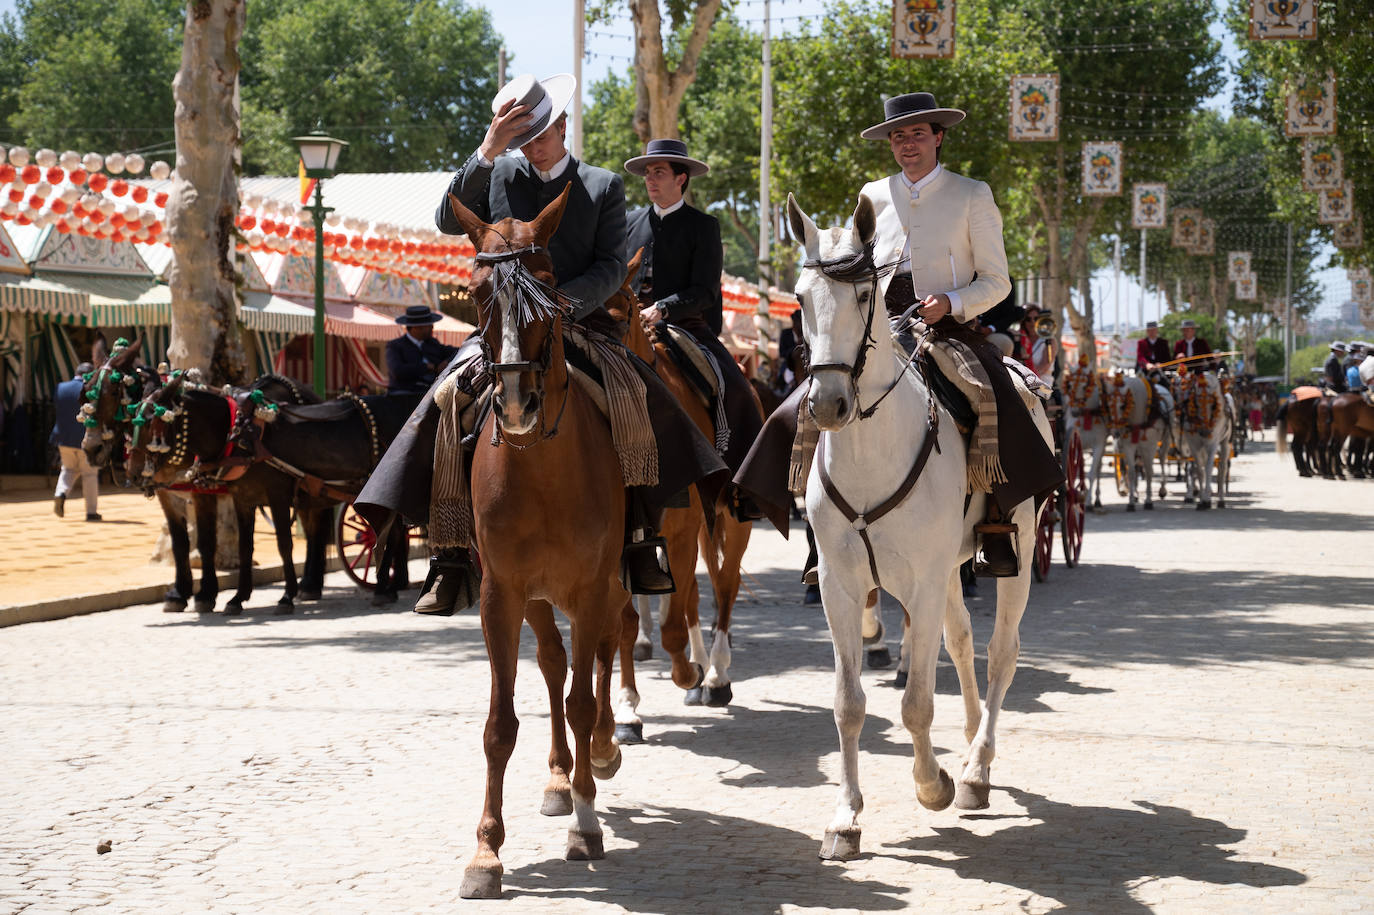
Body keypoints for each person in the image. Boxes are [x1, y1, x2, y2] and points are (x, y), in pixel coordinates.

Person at [357, 73, 725, 616]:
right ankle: (449, 552)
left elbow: (607, 265)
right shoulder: (499, 170)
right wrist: (486, 149)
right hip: (504, 329)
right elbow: (445, 220)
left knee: (638, 397)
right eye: (520, 134)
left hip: (580, 321)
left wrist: (561, 305)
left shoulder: (602, 186)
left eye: (541, 133)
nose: (532, 143)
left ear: (563, 126)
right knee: (445, 398)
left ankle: (642, 536)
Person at [854, 90, 1062, 575]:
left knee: (994, 396)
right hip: (880, 332)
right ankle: (821, 534)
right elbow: (857, 269)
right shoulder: (871, 194)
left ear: (938, 137)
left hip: (948, 330)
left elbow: (997, 281)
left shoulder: (972, 194)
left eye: (917, 134)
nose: (907, 143)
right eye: (898, 135)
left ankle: (996, 521)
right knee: (814, 400)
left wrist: (951, 301)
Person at [623, 138, 766, 519]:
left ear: (681, 178)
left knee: (734, 387)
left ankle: (742, 487)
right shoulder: (627, 222)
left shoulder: (704, 226)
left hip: (683, 325)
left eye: (659, 172)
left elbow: (704, 290)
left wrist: (663, 308)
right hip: (623, 324)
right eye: (648, 173)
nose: (650, 180)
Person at [50, 363, 100, 521]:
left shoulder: (60, 387)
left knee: (68, 469)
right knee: (90, 474)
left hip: (64, 437)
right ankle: (91, 512)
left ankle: (60, 493)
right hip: (86, 438)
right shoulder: (92, 390)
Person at [385, 305, 459, 394]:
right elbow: (397, 371)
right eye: (429, 325)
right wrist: (428, 367)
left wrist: (447, 362)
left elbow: (458, 351)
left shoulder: (433, 343)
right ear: (416, 327)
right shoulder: (395, 346)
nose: (432, 327)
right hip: (404, 393)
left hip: (431, 391)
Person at [1017, 304, 1057, 387]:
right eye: (1028, 319)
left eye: (1036, 318)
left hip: (1042, 384)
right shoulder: (1019, 338)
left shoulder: (1049, 340)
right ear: (1024, 322)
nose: (1032, 322)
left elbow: (1044, 366)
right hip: (1020, 383)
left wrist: (1026, 381)